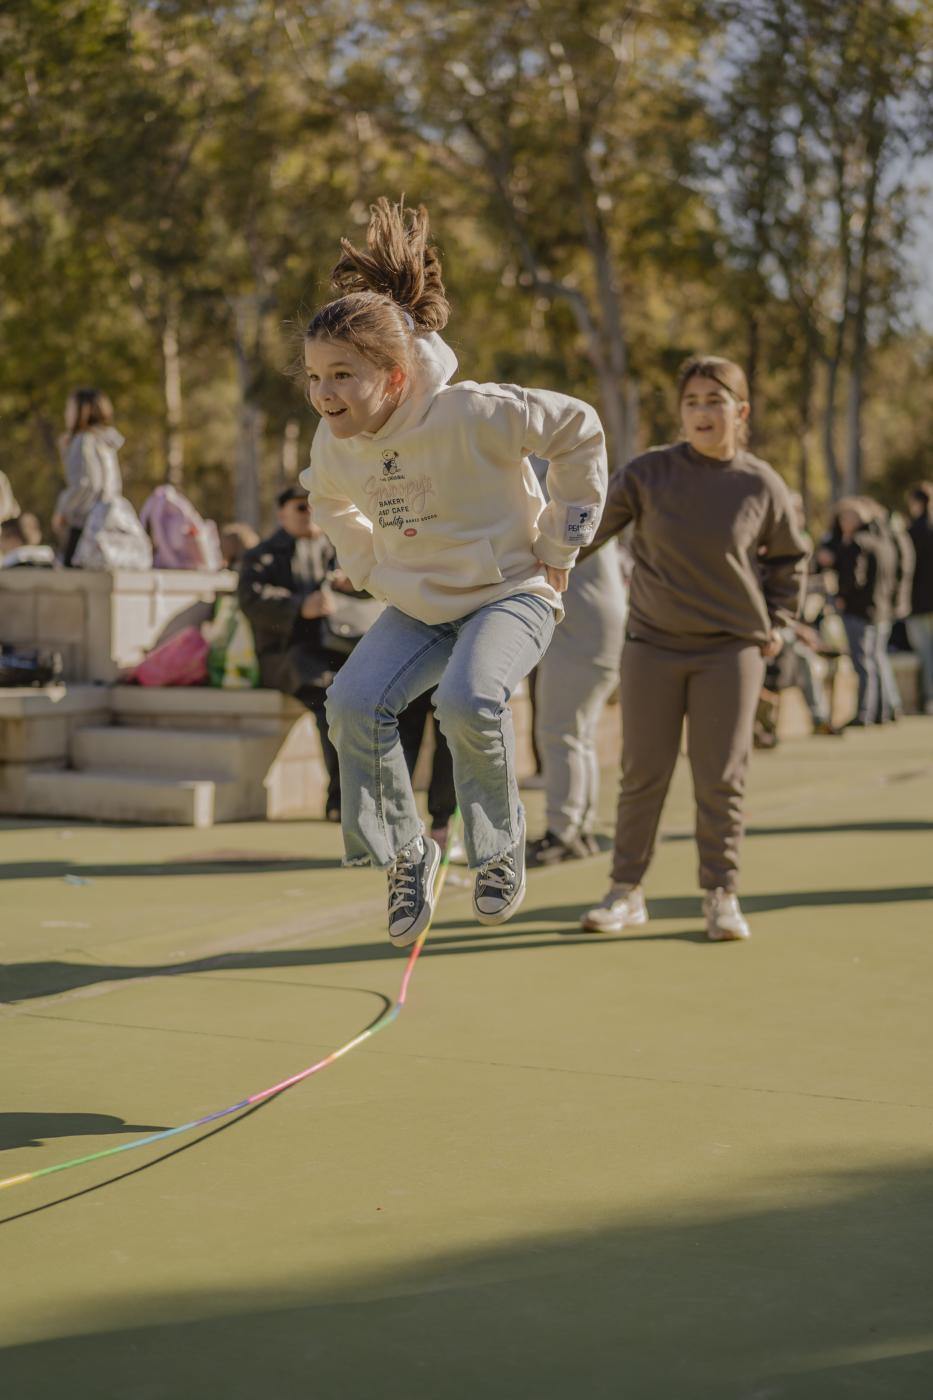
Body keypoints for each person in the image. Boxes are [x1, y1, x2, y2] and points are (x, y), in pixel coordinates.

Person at [299, 197, 607, 948]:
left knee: (468, 700)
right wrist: (370, 565)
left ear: (394, 377)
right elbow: (327, 500)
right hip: (419, 606)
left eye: (342, 375)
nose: (324, 393)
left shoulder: (475, 412)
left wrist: (560, 542)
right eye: (313, 376)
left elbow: (579, 428)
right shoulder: (334, 443)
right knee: (351, 704)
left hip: (512, 592)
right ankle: (407, 853)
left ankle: (498, 848)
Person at [577, 355, 808, 942]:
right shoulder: (648, 473)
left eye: (715, 400)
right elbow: (586, 532)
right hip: (651, 646)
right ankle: (625, 892)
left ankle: (721, 894)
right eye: (691, 402)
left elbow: (790, 560)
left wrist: (779, 622)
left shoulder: (760, 483)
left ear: (741, 410)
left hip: (731, 652)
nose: (702, 412)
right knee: (642, 774)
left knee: (721, 778)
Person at [525, 455, 628, 864]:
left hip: (581, 632)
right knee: (577, 735)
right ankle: (578, 828)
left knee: (560, 733)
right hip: (601, 629)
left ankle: (562, 832)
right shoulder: (579, 482)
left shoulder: (551, 483)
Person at [238, 484, 345, 821]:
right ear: (282, 514)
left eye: (313, 504)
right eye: (300, 506)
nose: (308, 512)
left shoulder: (336, 549)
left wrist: (351, 586)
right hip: (285, 656)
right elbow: (251, 600)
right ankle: (340, 800)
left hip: (336, 650)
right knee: (332, 702)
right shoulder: (262, 556)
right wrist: (300, 606)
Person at [817, 498, 897, 727]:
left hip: (860, 610)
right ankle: (881, 711)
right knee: (876, 660)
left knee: (863, 662)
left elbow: (854, 578)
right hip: (880, 609)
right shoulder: (883, 541)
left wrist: (842, 595)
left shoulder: (857, 543)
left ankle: (865, 712)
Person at [52, 389, 124, 566]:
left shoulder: (84, 440)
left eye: (69, 408)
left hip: (84, 525)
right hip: (108, 520)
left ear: (83, 411)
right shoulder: (104, 441)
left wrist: (62, 510)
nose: (66, 414)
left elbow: (85, 483)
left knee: (72, 577)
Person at [905, 482, 933, 715]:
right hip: (924, 601)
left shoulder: (913, 531)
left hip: (919, 602)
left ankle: (930, 698)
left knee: (925, 652)